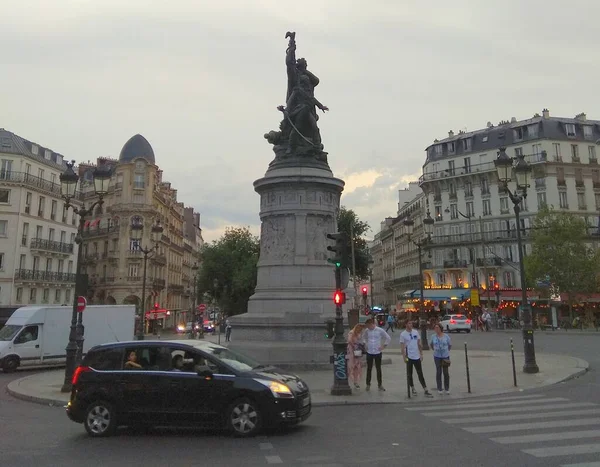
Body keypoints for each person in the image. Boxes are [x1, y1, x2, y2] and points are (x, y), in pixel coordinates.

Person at [400, 320, 432, 397]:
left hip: (416, 355)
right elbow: (402, 347)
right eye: (409, 323)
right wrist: (404, 357)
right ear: (406, 324)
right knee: (409, 373)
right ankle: (412, 388)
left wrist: (421, 353)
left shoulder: (415, 332)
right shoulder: (403, 334)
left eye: (411, 323)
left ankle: (425, 388)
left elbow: (419, 343)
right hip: (409, 356)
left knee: (420, 372)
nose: (411, 325)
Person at [361, 318, 391, 391]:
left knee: (378, 369)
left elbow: (388, 338)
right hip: (370, 351)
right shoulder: (367, 331)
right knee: (369, 368)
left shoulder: (380, 330)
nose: (368, 327)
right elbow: (363, 337)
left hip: (377, 352)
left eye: (368, 326)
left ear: (372, 324)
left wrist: (383, 346)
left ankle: (380, 384)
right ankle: (368, 384)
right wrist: (365, 344)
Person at [429, 323, 451, 394]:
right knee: (438, 372)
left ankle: (447, 388)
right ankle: (439, 388)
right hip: (437, 356)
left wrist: (446, 351)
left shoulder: (446, 336)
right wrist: (435, 349)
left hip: (445, 356)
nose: (436, 329)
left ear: (441, 328)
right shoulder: (433, 336)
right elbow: (431, 345)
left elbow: (449, 345)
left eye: (437, 328)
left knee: (446, 372)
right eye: (435, 328)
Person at [346, 324, 365, 389]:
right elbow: (349, 340)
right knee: (350, 366)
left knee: (357, 366)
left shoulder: (360, 333)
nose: (360, 330)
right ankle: (347, 379)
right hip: (352, 350)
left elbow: (361, 340)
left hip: (357, 350)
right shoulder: (351, 332)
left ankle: (355, 381)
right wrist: (354, 345)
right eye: (359, 329)